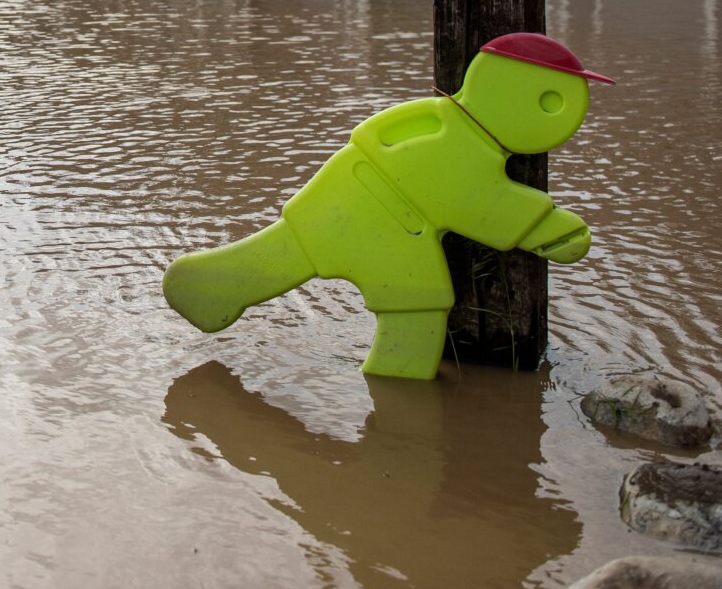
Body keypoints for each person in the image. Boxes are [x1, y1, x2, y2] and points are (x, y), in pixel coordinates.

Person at [162, 33, 611, 379]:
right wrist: (545, 226)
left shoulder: (444, 127)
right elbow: (475, 205)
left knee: (288, 260)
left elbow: (474, 198)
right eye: (552, 100)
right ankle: (397, 392)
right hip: (374, 215)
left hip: (366, 208)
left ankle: (212, 286)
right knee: (417, 303)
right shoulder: (451, 139)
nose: (566, 112)